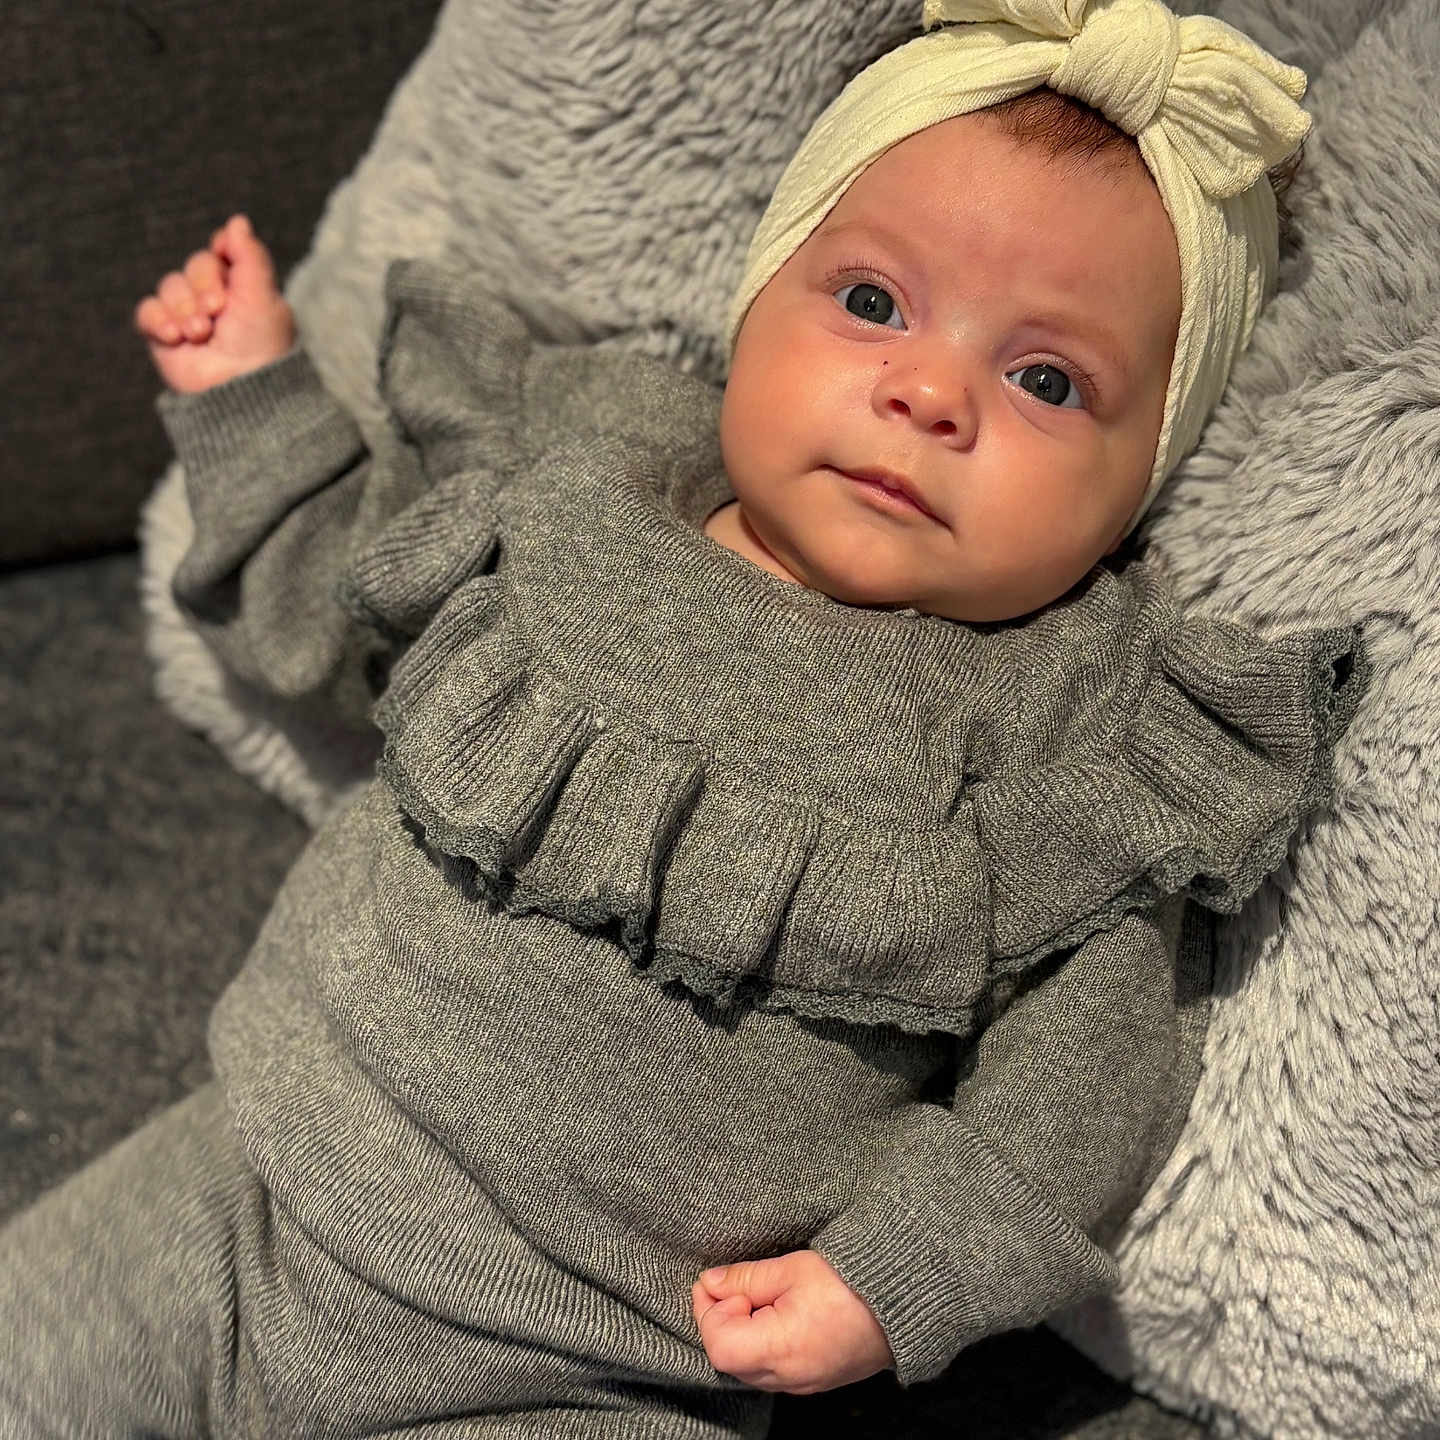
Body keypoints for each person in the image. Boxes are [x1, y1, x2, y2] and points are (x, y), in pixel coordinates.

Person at [0, 1, 1372, 1435]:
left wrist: (893, 1279)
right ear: (758, 301)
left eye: (1046, 381)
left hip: (585, 1358)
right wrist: (254, 401)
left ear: (1140, 478)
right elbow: (338, 609)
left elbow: (1084, 1083)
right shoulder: (586, 490)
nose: (928, 393)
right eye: (872, 303)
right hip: (253, 1178)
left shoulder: (1069, 733)